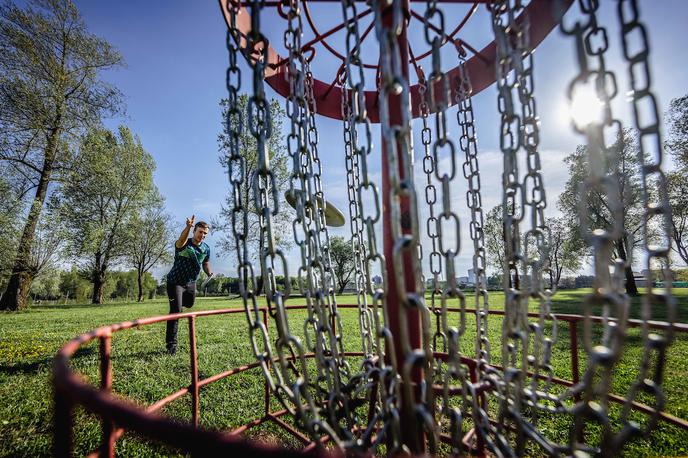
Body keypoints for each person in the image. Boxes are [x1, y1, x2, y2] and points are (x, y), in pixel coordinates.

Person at [165, 215, 213, 354]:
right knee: (176, 312)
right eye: (200, 232)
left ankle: (179, 304)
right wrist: (187, 227)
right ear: (194, 231)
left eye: (205, 233)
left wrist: (209, 272)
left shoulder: (206, 248)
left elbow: (205, 262)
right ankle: (171, 345)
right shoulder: (184, 243)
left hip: (191, 283)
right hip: (175, 282)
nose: (202, 235)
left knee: (190, 304)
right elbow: (180, 241)